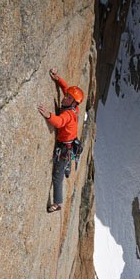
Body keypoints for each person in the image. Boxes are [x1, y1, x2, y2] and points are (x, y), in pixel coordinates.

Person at [38, 69, 84, 213]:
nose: (65, 98)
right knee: (66, 162)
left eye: (69, 98)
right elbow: (66, 89)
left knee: (57, 178)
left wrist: (48, 115)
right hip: (70, 143)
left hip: (64, 148)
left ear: (73, 103)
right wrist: (58, 79)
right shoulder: (73, 106)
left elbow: (59, 122)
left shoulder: (69, 114)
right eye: (67, 96)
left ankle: (58, 203)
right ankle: (68, 168)